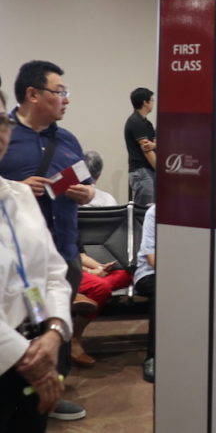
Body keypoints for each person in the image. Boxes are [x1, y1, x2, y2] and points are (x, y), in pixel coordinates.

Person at [0, 60, 94, 422]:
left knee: (52, 322)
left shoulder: (67, 139)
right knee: (14, 320)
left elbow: (86, 181)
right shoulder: (9, 135)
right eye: (60, 92)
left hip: (59, 253)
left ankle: (50, 389)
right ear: (32, 94)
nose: (66, 100)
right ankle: (21, 381)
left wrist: (85, 194)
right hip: (11, 261)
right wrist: (17, 190)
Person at [69, 249, 132, 367]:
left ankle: (81, 293)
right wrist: (89, 271)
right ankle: (75, 339)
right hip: (60, 270)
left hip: (77, 268)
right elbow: (62, 258)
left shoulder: (70, 231)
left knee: (125, 275)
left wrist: (100, 267)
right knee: (101, 287)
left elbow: (79, 255)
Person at [133, 205, 156, 382]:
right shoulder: (155, 212)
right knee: (165, 291)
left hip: (186, 273)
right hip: (151, 273)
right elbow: (152, 258)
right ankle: (154, 356)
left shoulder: (198, 212)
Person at [124, 87, 156, 207]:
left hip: (147, 172)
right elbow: (147, 150)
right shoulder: (135, 122)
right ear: (145, 102)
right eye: (151, 100)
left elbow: (153, 144)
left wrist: (154, 144)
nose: (153, 102)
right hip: (142, 172)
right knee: (144, 212)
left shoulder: (146, 123)